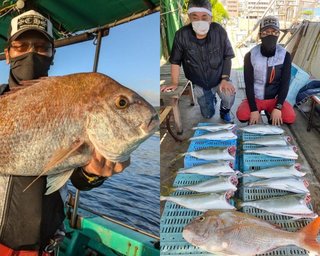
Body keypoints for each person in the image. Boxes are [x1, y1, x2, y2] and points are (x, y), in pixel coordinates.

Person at [0, 10, 129, 256]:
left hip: (46, 247)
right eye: (20, 46)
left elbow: (78, 177)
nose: (31, 53)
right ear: (8, 55)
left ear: (52, 54)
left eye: (41, 47)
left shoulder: (69, 97)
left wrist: (94, 173)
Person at [160, 0, 236, 122]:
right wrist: (174, 82)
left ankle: (224, 110)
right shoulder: (181, 35)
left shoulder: (219, 31)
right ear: (189, 18)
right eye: (195, 17)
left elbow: (227, 56)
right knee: (207, 115)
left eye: (204, 17)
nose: (200, 21)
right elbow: (175, 61)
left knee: (229, 95)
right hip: (200, 83)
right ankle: (211, 99)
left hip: (219, 78)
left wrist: (225, 79)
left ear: (210, 18)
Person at [236, 16, 296, 125]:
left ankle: (271, 112)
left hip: (274, 99)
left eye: (274, 32)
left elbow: (285, 84)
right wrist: (253, 109)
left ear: (278, 34)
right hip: (256, 98)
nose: (270, 35)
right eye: (266, 32)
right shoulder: (250, 55)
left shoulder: (285, 55)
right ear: (260, 35)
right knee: (242, 115)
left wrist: (278, 107)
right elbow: (248, 84)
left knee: (290, 117)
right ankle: (257, 110)